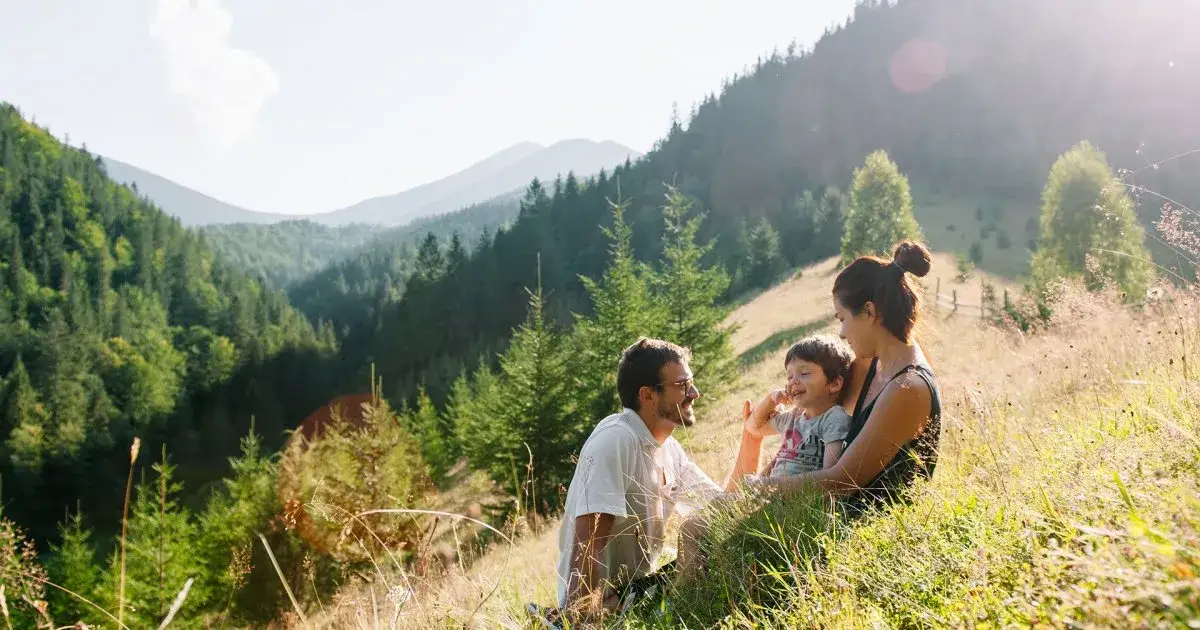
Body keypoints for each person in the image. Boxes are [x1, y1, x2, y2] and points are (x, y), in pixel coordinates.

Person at [740, 239, 942, 516]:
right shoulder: (870, 365)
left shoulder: (908, 387)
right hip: (827, 511)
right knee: (704, 524)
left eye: (842, 318)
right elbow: (808, 422)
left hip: (864, 528)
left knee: (699, 528)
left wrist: (763, 487)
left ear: (869, 312)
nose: (842, 333)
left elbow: (842, 480)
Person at [530, 337, 723, 626]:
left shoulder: (668, 449)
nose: (694, 393)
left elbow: (722, 506)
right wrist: (583, 614)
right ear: (647, 395)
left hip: (637, 592)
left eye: (690, 382)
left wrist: (753, 435)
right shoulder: (616, 439)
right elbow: (589, 539)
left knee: (708, 538)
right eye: (682, 385)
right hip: (603, 603)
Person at [676, 334, 856, 579]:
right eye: (789, 376)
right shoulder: (795, 416)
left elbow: (829, 481)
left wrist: (771, 487)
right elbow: (754, 427)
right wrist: (771, 399)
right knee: (692, 526)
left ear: (834, 384)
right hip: (765, 498)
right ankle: (686, 590)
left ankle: (690, 592)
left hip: (790, 505)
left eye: (804, 373)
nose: (793, 382)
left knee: (712, 534)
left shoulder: (833, 418)